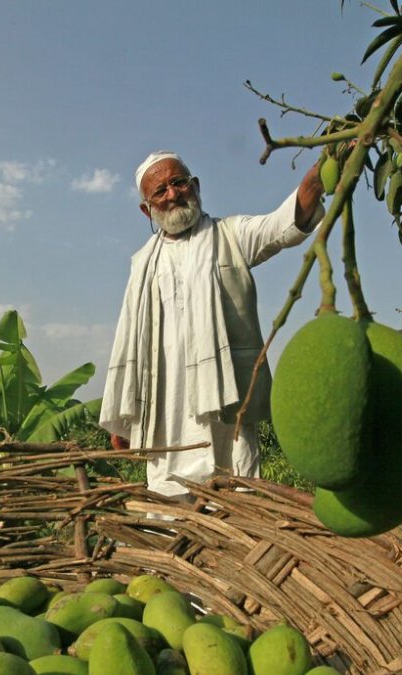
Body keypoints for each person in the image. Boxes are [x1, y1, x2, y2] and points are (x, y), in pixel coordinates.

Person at [99, 150, 325, 498]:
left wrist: (317, 176)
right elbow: (131, 341)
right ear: (147, 209)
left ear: (196, 186)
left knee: (235, 497)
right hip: (165, 411)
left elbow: (284, 225)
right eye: (160, 190)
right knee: (167, 508)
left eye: (179, 183)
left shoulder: (230, 235)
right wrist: (127, 414)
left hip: (224, 401)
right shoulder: (142, 264)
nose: (173, 194)